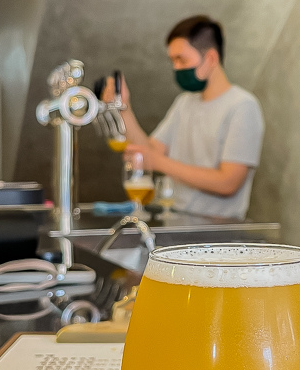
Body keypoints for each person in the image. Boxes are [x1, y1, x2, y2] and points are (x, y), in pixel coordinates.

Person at [104, 15, 264, 220]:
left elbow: (228, 183)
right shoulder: (185, 103)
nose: (176, 68)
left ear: (211, 59)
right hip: (176, 223)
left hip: (217, 235)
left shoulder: (242, 106)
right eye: (173, 61)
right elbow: (150, 152)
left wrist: (159, 162)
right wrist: (123, 109)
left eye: (182, 59)